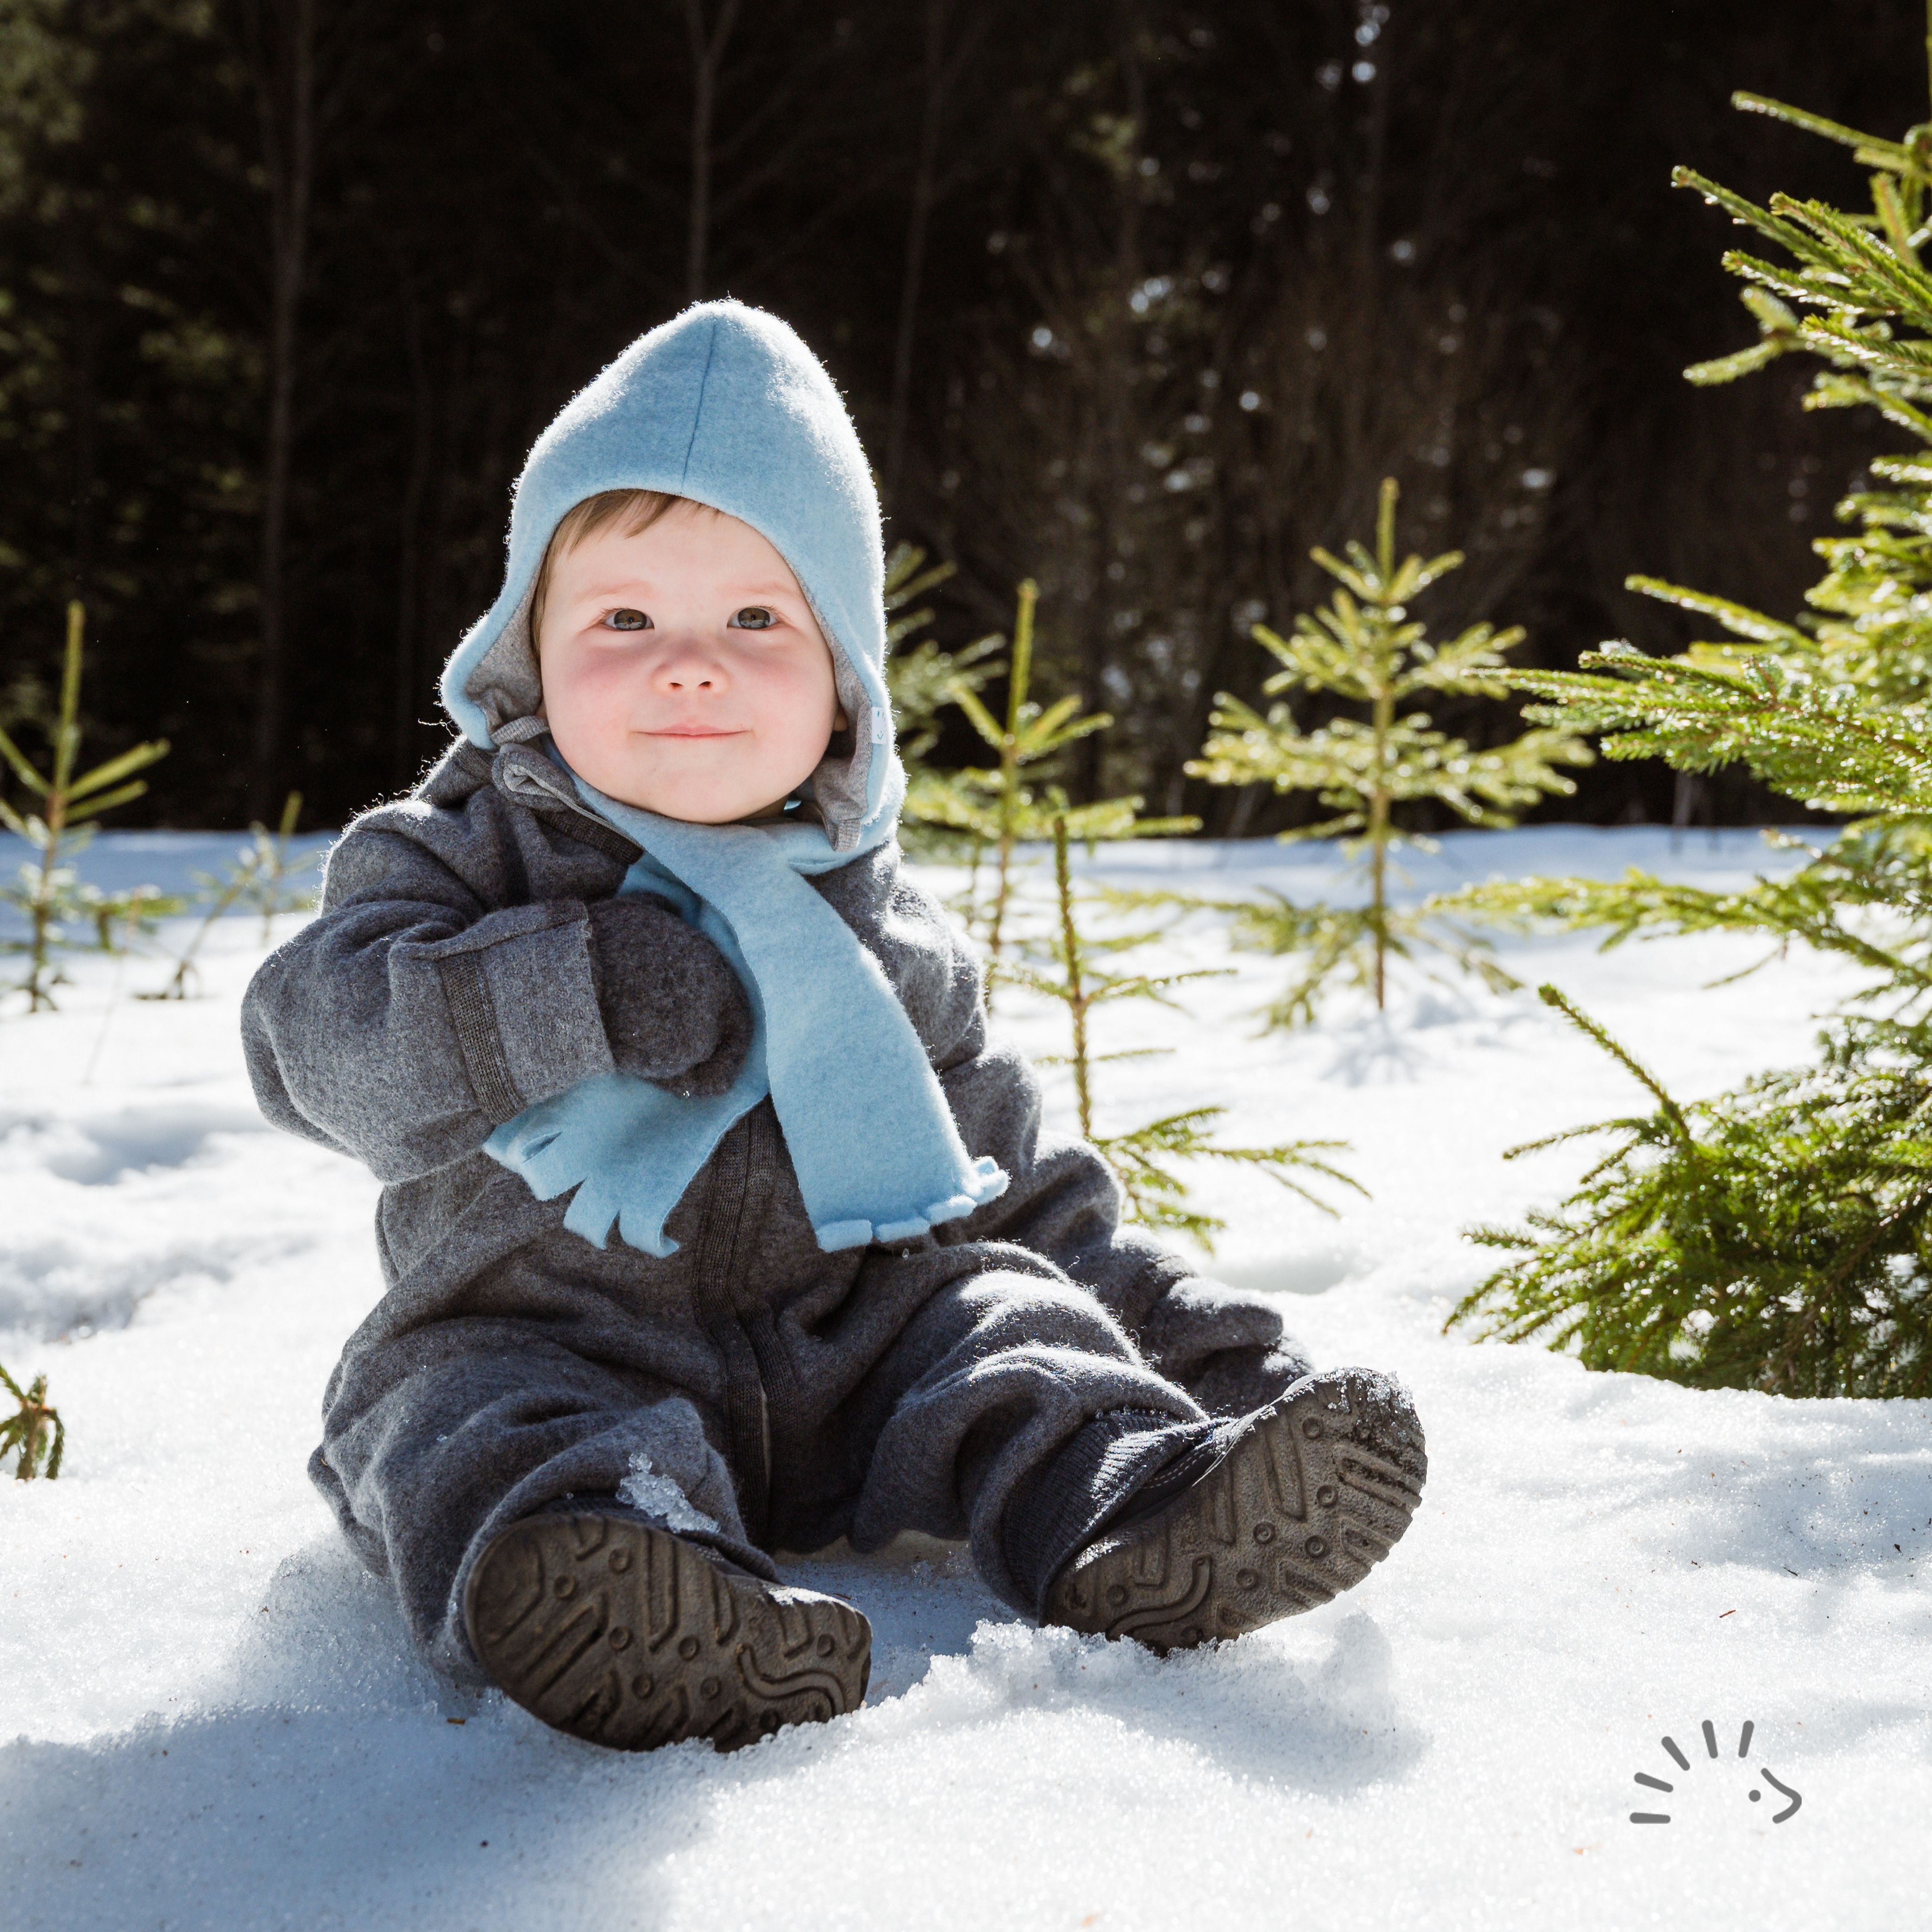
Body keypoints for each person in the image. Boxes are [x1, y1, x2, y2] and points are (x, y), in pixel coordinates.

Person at [241, 300, 1426, 1754]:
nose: (690, 664)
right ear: (526, 655)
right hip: (543, 1334)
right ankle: (613, 1584)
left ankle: (1144, 1514)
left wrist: (1208, 1355)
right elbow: (313, 1048)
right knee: (457, 1418)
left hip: (860, 1351)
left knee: (1009, 1326)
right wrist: (581, 987)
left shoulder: (881, 931)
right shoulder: (458, 863)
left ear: (845, 681)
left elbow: (1014, 1192)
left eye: (756, 619)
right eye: (625, 620)